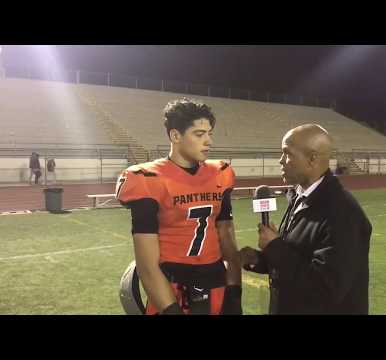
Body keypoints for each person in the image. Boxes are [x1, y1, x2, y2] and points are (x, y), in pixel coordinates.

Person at [116, 98, 242, 315]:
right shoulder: (148, 179)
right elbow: (147, 265)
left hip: (216, 284)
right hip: (172, 289)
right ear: (175, 136)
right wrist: (171, 310)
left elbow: (228, 243)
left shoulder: (220, 173)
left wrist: (234, 292)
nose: (208, 141)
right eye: (199, 134)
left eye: (209, 133)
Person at [240, 124, 372, 314]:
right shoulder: (299, 196)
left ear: (312, 159)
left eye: (287, 154)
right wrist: (259, 259)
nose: (280, 160)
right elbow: (299, 258)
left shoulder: (343, 213)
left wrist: (276, 247)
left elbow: (324, 288)